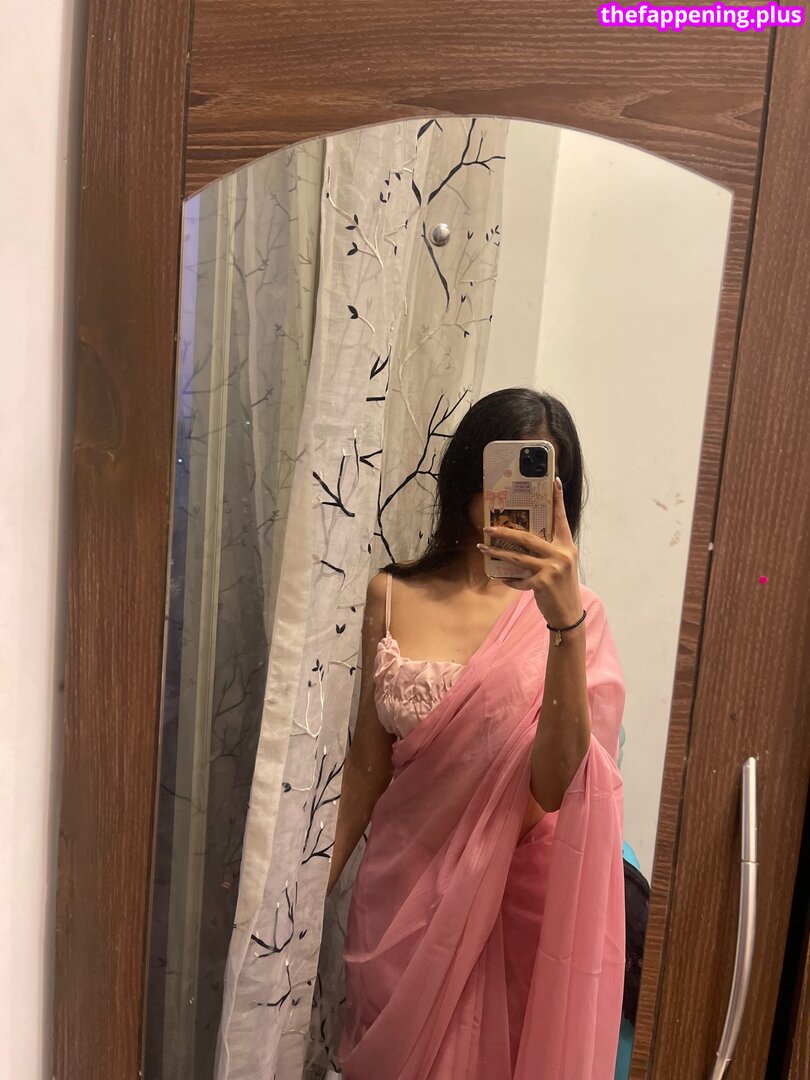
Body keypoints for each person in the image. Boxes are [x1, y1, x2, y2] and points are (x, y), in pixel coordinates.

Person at [327, 388, 626, 1080]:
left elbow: (556, 786)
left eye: (536, 479)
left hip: (503, 915)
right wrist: (302, 900)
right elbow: (367, 765)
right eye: (502, 471)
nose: (511, 496)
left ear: (560, 498)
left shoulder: (578, 618)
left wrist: (563, 624)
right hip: (394, 908)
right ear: (469, 471)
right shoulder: (391, 593)